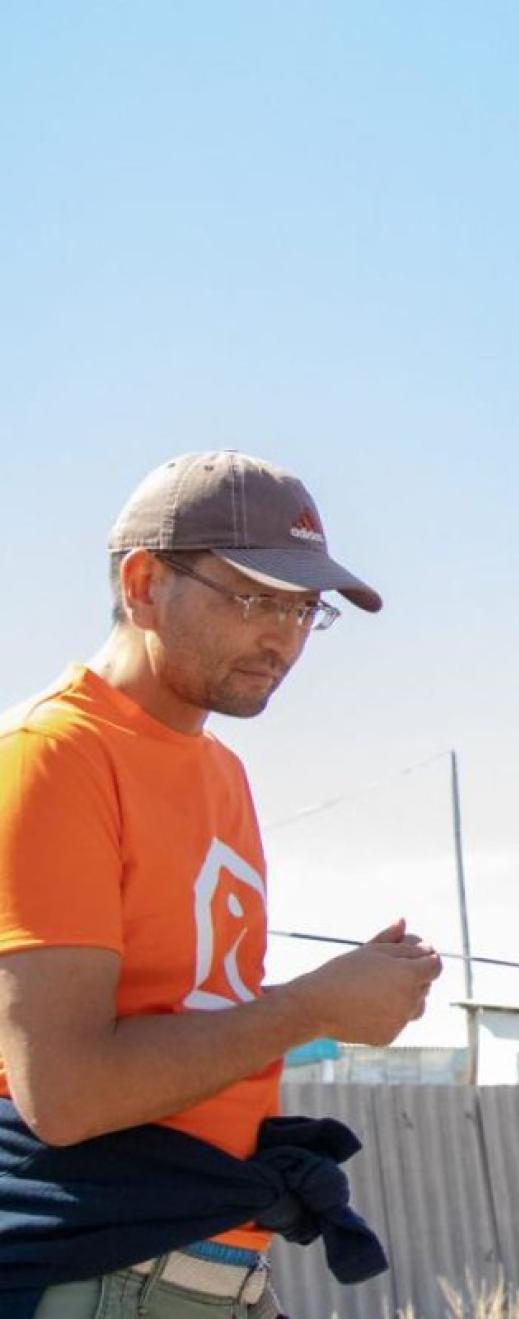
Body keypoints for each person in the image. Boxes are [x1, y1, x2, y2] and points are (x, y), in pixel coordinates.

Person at [0, 451, 443, 1318]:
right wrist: (311, 1005)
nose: (283, 636)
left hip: (209, 1266)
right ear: (142, 582)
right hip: (98, 1271)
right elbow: (66, 1092)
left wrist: (344, 992)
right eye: (255, 597)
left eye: (305, 609)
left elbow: (193, 1022)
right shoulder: (53, 758)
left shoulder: (221, 773)